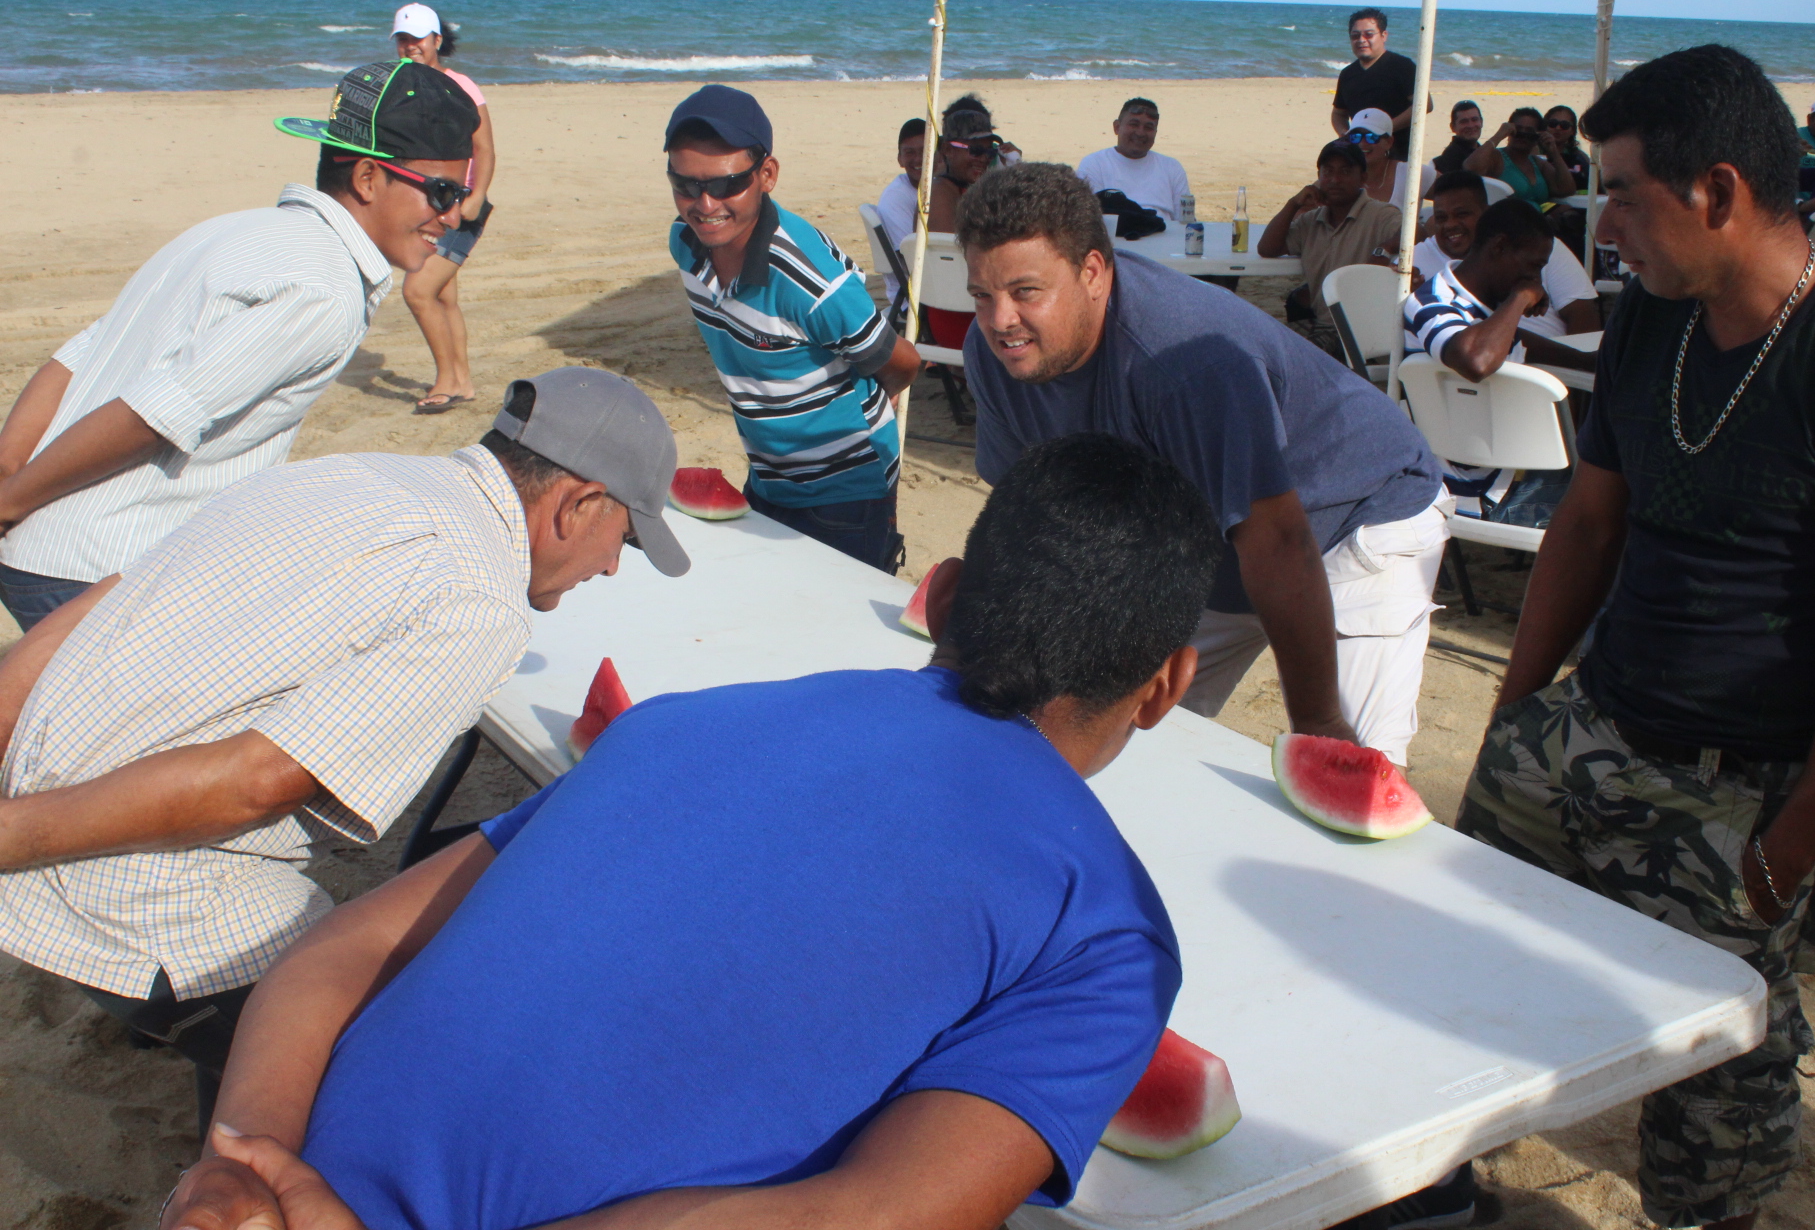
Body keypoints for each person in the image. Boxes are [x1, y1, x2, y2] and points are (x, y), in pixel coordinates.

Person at [158, 432, 1217, 1230]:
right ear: (1166, 682)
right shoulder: (1104, 931)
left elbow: (339, 950)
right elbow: (865, 1216)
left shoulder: (675, 723)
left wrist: (240, 1162)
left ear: (939, 598)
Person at [1457, 44, 1815, 1230]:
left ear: (1715, 190)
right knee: (1452, 975)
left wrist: (1787, 851)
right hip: (1585, 733)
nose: (1602, 224)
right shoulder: (1652, 325)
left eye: (1619, 191)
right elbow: (1588, 524)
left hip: (1741, 793)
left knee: (1715, 1103)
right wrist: (1517, 715)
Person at [0, 367, 688, 1134]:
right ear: (579, 504)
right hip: (147, 904)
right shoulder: (480, 601)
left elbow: (98, 608)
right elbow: (257, 783)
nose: (613, 567)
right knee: (407, 1067)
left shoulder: (342, 473)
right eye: (623, 538)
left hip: (38, 808)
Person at [961, 163, 1447, 766]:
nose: (999, 320)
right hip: (1208, 540)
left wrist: (1319, 721)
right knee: (1104, 740)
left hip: (1354, 516)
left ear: (1092, 272)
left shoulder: (1185, 362)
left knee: (1352, 771)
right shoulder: (994, 355)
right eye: (981, 295)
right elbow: (1032, 516)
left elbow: (1278, 539)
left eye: (1025, 292)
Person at [0, 59, 478, 632]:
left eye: (463, 195)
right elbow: (154, 416)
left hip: (37, 547)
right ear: (369, 179)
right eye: (443, 193)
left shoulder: (233, 229)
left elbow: (76, 357)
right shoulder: (324, 290)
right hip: (96, 564)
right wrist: (9, 502)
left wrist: (8, 475)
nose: (454, 216)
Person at [663, 84, 921, 572]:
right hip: (768, 477)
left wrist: (870, 407)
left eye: (724, 184)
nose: (704, 203)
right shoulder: (685, 246)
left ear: (767, 175)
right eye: (685, 185)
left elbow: (903, 361)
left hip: (847, 488)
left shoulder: (810, 283)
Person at [389, 4, 496, 415]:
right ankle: (463, 382)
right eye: (402, 39)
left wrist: (476, 195)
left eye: (417, 38)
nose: (409, 46)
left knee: (417, 291)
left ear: (437, 40)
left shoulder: (461, 86)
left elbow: (484, 149)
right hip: (424, 208)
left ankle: (446, 382)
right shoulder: (400, 86)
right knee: (444, 296)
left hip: (459, 207)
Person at [1404, 196, 1597, 379]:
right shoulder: (1431, 300)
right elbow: (1476, 362)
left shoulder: (1488, 313)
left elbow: (1519, 342)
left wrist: (1585, 361)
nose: (1535, 279)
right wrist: (1521, 296)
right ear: (1499, 246)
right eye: (1534, 266)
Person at [1413, 171, 1601, 341]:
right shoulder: (1418, 270)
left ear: (1486, 213)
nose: (1450, 225)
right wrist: (1521, 297)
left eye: (1462, 214)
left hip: (1555, 365)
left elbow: (1583, 316)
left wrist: (1577, 365)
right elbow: (1476, 357)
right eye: (1441, 218)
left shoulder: (1537, 247)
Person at [1256, 140, 1402, 357]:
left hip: (1357, 330)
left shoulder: (1379, 214)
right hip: (1322, 323)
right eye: (1328, 172)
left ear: (1362, 178)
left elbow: (1416, 233)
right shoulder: (1311, 220)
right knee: (1261, 343)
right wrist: (1293, 204)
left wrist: (1386, 247)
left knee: (1290, 355)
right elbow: (1267, 248)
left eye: (1345, 171)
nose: (1335, 180)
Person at [924, 97, 1008, 351]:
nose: (983, 158)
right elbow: (959, 263)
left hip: (977, 311)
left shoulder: (969, 190)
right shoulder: (940, 192)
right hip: (960, 317)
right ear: (948, 150)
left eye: (989, 150)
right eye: (975, 150)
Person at [1331, 8, 1428, 163]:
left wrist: (1384, 129)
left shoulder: (1402, 66)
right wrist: (1346, 134)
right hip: (1360, 154)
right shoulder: (1348, 74)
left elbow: (1424, 104)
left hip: (1398, 154)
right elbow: (1338, 113)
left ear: (1384, 35)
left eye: (1369, 34)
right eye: (1355, 36)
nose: (1361, 40)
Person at [1076, 96, 1192, 223]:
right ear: (1117, 127)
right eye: (1134, 124)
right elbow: (1090, 222)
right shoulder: (1094, 164)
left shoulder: (1172, 167)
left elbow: (1185, 222)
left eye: (1148, 127)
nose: (1140, 133)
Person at [1466, 107, 1576, 209]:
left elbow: (1566, 188)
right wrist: (1498, 136)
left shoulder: (1537, 163)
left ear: (1537, 136)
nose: (1522, 136)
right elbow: (1470, 168)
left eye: (1529, 133)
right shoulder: (1497, 157)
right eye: (1518, 131)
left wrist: (1554, 152)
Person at [875, 116, 928, 308]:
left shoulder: (939, 188)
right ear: (899, 158)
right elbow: (911, 261)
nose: (917, 159)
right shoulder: (896, 198)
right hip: (915, 296)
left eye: (925, 151)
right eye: (910, 152)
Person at [1348, 107, 1434, 211]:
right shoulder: (1340, 177)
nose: (1362, 143)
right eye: (1355, 137)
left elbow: (1454, 194)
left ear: (1389, 142)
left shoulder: (1411, 174)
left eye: (1371, 137)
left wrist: (1431, 222)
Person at [1543, 105, 1592, 194]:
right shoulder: (1536, 154)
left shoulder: (1580, 157)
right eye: (1553, 123)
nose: (1558, 128)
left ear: (1572, 131)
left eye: (1564, 125)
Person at [1433, 99, 1482, 173]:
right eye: (1464, 122)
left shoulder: (1482, 150)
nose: (1471, 125)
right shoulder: (1451, 158)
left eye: (1474, 120)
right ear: (1453, 127)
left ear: (1481, 122)